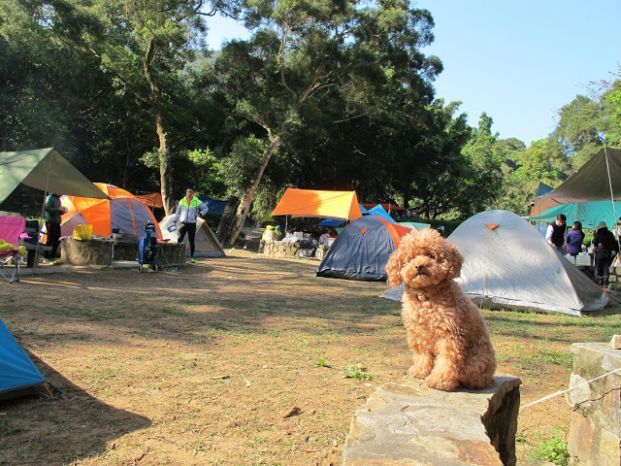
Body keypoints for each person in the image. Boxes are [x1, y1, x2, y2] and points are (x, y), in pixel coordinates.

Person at [173, 188, 208, 263]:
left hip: (192, 224)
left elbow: (205, 208)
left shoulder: (196, 201)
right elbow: (177, 212)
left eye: (190, 192)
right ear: (186, 193)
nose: (189, 193)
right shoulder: (182, 201)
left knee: (191, 240)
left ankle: (192, 257)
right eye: (188, 192)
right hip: (183, 223)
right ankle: (176, 256)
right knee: (179, 239)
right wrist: (175, 220)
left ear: (193, 193)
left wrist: (200, 214)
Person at [591, 221, 619, 287]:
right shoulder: (610, 234)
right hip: (608, 254)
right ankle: (605, 284)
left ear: (599, 227)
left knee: (597, 268)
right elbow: (614, 243)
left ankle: (597, 282)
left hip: (599, 254)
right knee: (606, 268)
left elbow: (594, 243)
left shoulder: (598, 234)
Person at [44, 193, 67, 260]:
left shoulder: (58, 199)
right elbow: (47, 208)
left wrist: (62, 211)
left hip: (57, 222)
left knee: (57, 239)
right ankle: (46, 255)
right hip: (50, 221)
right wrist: (58, 209)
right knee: (50, 239)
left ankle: (52, 255)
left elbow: (57, 211)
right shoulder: (49, 197)